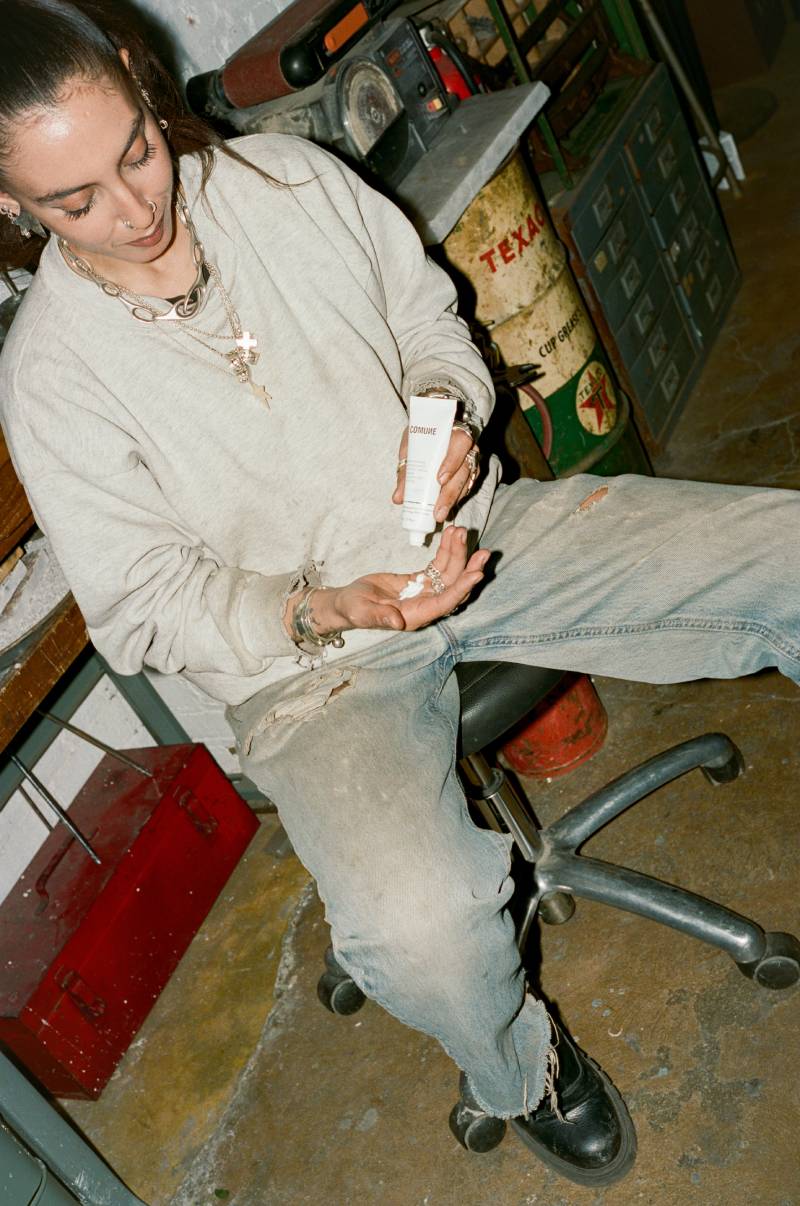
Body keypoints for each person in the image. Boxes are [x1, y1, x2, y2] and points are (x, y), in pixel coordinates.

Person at [1, 0, 799, 1188]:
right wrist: (327, 606)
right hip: (312, 671)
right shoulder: (52, 379)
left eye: (136, 151)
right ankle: (519, 1073)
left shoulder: (282, 181)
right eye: (76, 203)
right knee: (419, 936)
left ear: (136, 77)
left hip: (473, 543)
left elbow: (431, 321)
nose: (135, 207)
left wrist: (452, 415)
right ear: (8, 205)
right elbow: (144, 607)